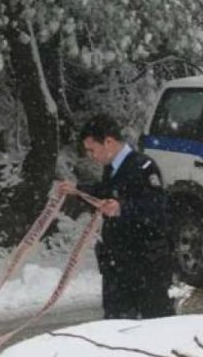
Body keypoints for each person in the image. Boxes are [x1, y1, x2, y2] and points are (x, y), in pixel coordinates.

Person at [60, 114, 174, 319]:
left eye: (92, 149)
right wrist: (77, 191)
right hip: (118, 263)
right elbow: (105, 192)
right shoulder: (112, 169)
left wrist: (123, 209)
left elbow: (157, 207)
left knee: (153, 325)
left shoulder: (143, 166)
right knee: (115, 324)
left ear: (109, 142)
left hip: (145, 263)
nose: (91, 155)